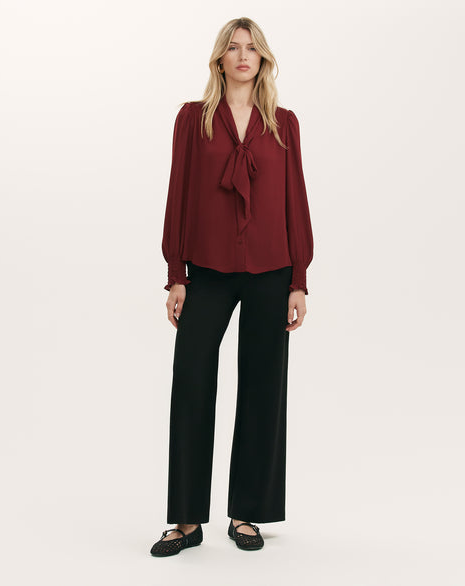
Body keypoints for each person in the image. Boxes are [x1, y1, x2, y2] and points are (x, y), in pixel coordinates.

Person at [150, 17, 314, 557]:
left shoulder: (283, 123)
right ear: (220, 59)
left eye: (252, 48)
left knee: (264, 388)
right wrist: (177, 273)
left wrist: (298, 279)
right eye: (233, 48)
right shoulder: (192, 119)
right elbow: (179, 192)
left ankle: (247, 514)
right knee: (192, 382)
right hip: (209, 269)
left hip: (271, 268)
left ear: (262, 59)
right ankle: (186, 519)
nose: (243, 56)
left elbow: (295, 198)